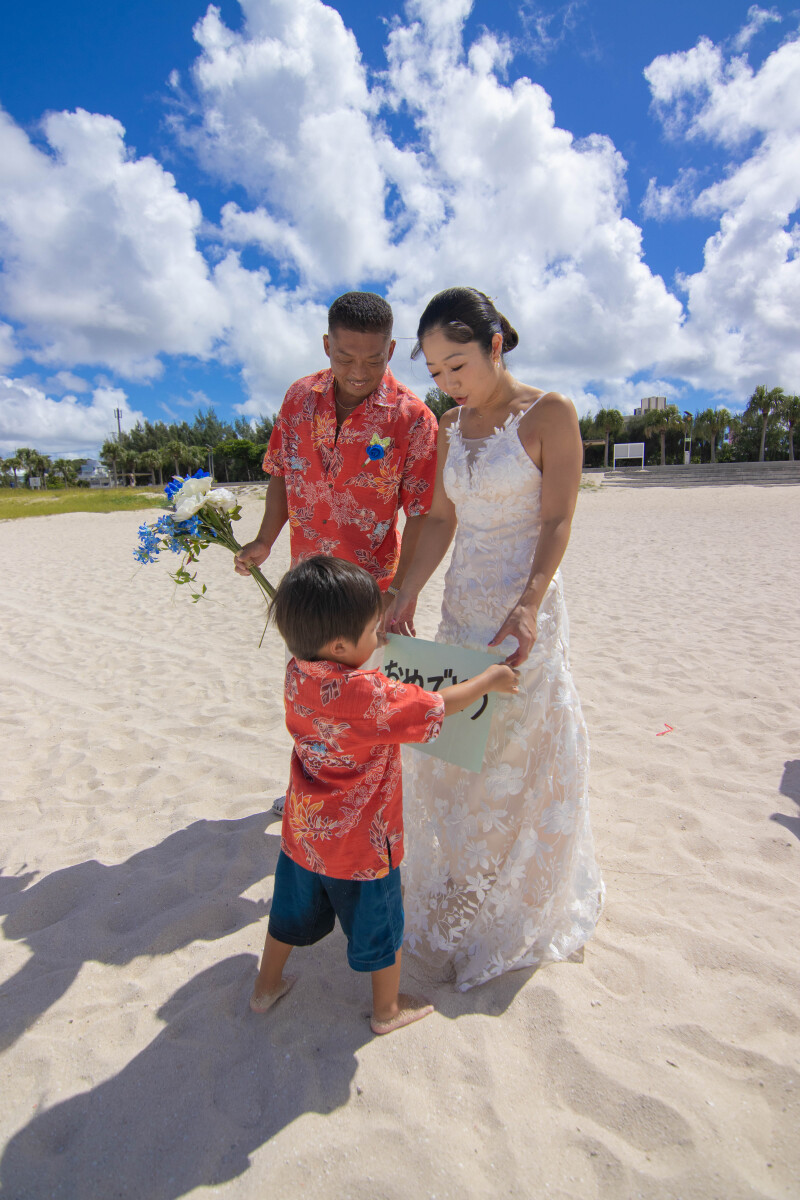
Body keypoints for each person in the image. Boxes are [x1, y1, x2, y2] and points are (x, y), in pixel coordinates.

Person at [386, 287, 604, 992]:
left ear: (495, 346)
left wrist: (530, 604)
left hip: (522, 607)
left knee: (518, 743)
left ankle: (514, 892)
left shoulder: (549, 413)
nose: (448, 383)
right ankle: (464, 876)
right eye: (436, 372)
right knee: (458, 745)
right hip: (463, 606)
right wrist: (406, 590)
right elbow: (441, 520)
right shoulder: (451, 426)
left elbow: (558, 519)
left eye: (458, 365)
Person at [250, 555, 518, 1034]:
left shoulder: (297, 673)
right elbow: (437, 705)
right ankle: (387, 1010)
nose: (379, 638)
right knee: (382, 928)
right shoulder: (370, 696)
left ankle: (265, 988)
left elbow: (342, 675)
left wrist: (368, 644)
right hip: (363, 847)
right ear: (339, 645)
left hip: (304, 833)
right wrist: (489, 681)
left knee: (287, 912)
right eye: (373, 631)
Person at [234, 290, 438, 814]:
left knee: (368, 705)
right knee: (309, 701)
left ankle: (367, 808)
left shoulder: (413, 419)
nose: (358, 371)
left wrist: (401, 591)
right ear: (327, 345)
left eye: (373, 359)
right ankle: (309, 793)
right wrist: (264, 540)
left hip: (369, 596)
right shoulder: (298, 398)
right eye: (346, 357)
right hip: (306, 587)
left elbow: (421, 512)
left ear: (391, 350)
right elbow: (282, 473)